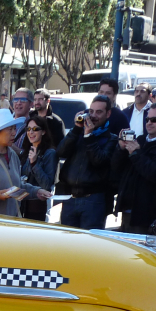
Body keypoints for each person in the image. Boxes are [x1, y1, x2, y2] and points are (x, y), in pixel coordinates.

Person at [112, 102, 156, 234]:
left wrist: (136, 154)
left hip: (148, 213)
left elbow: (155, 173)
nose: (149, 123)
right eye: (147, 119)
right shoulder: (140, 140)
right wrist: (121, 149)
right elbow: (116, 168)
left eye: (154, 120)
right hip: (128, 209)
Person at [56, 95, 118, 229]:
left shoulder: (111, 139)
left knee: (89, 245)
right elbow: (61, 152)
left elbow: (99, 161)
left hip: (94, 200)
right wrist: (77, 129)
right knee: (67, 243)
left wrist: (89, 136)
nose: (93, 115)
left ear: (108, 114)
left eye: (99, 112)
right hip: (70, 197)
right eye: (91, 111)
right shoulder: (78, 133)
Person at [20, 113, 58, 222]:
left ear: (43, 132)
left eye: (35, 129)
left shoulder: (50, 153)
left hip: (39, 205)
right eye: (28, 129)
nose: (31, 132)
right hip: (24, 203)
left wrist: (34, 163)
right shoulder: (27, 150)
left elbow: (46, 184)